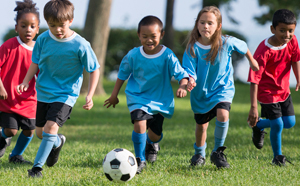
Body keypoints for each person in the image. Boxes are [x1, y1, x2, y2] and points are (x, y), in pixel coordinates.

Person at [17, 0, 100, 177]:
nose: (57, 30)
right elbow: (35, 63)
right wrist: (25, 81)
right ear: (47, 23)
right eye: (52, 25)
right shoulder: (43, 40)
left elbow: (94, 70)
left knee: (50, 128)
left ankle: (36, 169)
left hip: (65, 95)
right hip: (44, 93)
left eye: (61, 25)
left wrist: (90, 95)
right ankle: (57, 142)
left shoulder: (81, 44)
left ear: (70, 20)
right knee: (41, 132)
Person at [104, 15, 189, 174]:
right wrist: (114, 95)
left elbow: (181, 74)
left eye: (153, 36)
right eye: (145, 36)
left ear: (161, 35)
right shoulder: (133, 55)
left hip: (160, 100)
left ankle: (152, 144)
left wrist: (183, 86)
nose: (149, 40)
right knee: (139, 123)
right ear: (139, 35)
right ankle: (139, 159)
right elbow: (122, 74)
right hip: (138, 97)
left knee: (155, 135)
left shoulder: (167, 55)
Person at [182, 6, 259, 169]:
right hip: (200, 93)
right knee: (201, 127)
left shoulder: (227, 42)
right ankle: (199, 154)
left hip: (222, 89)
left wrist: (252, 62)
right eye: (202, 22)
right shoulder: (192, 47)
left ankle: (218, 152)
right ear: (197, 24)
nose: (205, 26)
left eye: (210, 23)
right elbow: (189, 69)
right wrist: (191, 80)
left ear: (218, 26)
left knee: (223, 115)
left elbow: (244, 46)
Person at [247, 9, 300, 166]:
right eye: (282, 30)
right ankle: (278, 157)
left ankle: (258, 125)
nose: (287, 35)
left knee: (289, 122)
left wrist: (298, 78)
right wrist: (253, 107)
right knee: (277, 124)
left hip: (283, 91)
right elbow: (254, 80)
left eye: (290, 31)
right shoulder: (263, 51)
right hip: (267, 93)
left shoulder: (293, 41)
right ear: (273, 29)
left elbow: (295, 59)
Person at [0, 0, 40, 164]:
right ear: (16, 28)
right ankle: (2, 137)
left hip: (29, 99)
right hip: (8, 98)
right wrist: (1, 87)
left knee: (29, 131)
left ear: (37, 29)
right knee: (11, 130)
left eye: (32, 26)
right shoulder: (9, 45)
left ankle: (16, 156)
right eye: (23, 26)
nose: (28, 30)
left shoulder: (40, 50)